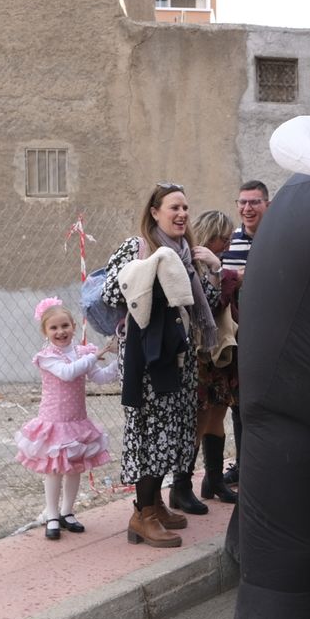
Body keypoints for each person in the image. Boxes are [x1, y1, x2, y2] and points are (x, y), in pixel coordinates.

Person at [99, 182, 224, 547]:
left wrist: (213, 268)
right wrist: (152, 271)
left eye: (185, 208)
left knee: (173, 431)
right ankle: (143, 515)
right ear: (155, 213)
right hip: (147, 355)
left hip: (178, 353)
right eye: (174, 208)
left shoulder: (186, 253)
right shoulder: (137, 247)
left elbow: (206, 301)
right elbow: (110, 293)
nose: (182, 214)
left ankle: (154, 503)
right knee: (151, 432)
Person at [14, 298, 120, 539]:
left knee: (74, 468)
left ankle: (67, 512)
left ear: (74, 326)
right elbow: (67, 373)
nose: (60, 331)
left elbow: (101, 377)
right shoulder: (47, 357)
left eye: (65, 326)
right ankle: (52, 515)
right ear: (45, 331)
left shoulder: (83, 352)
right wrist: (97, 354)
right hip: (54, 423)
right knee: (54, 471)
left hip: (76, 422)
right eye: (53, 327)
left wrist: (119, 360)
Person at [219, 180, 270, 489]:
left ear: (267, 205)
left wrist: (241, 277)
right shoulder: (230, 243)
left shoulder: (279, 237)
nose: (247, 208)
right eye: (242, 202)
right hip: (238, 336)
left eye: (254, 202)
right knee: (239, 405)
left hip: (273, 334)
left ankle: (267, 464)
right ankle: (243, 465)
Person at [188, 210, 241, 504]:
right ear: (210, 236)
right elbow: (211, 304)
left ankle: (214, 480)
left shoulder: (215, 263)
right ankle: (182, 487)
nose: (228, 244)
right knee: (199, 418)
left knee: (218, 412)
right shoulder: (192, 265)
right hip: (199, 354)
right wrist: (219, 269)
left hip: (218, 353)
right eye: (224, 239)